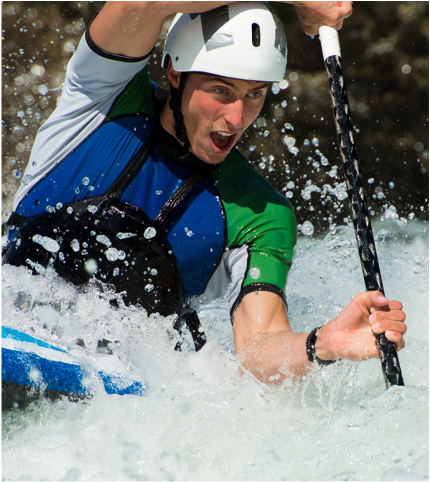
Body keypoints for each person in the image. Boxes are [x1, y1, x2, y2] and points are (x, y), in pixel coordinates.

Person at [3, 1, 406, 384]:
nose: (236, 118)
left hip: (120, 378)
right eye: (221, 90)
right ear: (175, 74)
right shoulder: (102, 96)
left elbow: (257, 348)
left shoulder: (261, 213)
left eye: (255, 94)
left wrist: (323, 343)